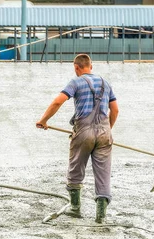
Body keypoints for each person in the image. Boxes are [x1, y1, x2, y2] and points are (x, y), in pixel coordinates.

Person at [36, 54, 119, 223]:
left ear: (76, 67)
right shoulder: (106, 83)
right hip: (104, 133)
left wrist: (43, 120)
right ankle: (101, 217)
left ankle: (75, 208)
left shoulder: (75, 82)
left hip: (83, 132)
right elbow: (115, 110)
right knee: (103, 173)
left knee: (76, 169)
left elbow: (58, 101)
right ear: (91, 66)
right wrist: (107, 130)